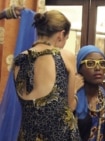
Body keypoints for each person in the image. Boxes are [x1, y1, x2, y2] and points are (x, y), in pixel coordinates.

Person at [13, 10, 80, 140]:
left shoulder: (19, 60)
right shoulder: (65, 56)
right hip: (59, 135)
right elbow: (70, 106)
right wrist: (76, 90)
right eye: (66, 38)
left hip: (27, 135)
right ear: (61, 35)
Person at [75, 45, 105, 141]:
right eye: (90, 63)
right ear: (79, 68)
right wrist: (73, 92)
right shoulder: (73, 98)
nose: (98, 67)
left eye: (102, 63)